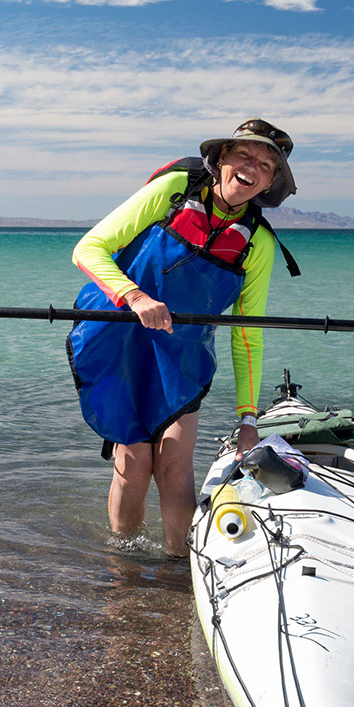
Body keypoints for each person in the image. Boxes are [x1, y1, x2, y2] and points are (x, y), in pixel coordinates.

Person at [67, 118, 298, 557]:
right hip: (118, 336)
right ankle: (125, 569)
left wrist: (248, 420)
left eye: (266, 165)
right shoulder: (174, 190)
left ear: (270, 183)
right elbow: (89, 248)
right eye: (244, 155)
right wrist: (135, 297)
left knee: (175, 467)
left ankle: (179, 570)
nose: (252, 168)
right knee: (133, 465)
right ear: (221, 159)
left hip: (183, 353)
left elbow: (247, 335)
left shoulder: (258, 245)